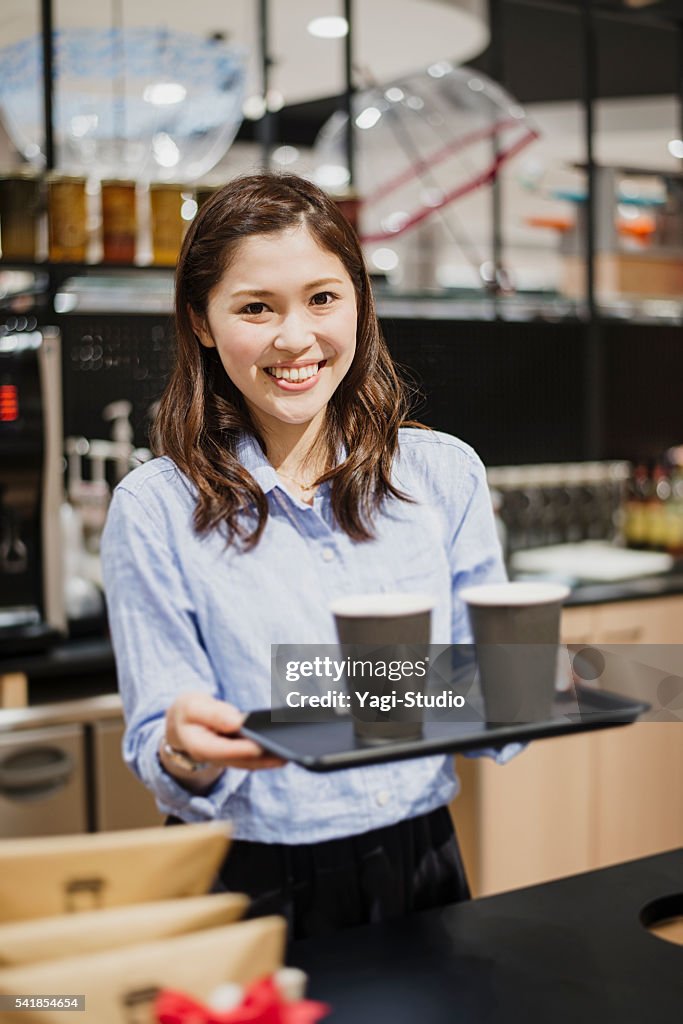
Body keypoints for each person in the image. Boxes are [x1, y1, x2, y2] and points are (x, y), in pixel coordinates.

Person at [101, 172, 517, 940]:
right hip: (246, 880)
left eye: (323, 298)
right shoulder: (154, 508)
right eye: (256, 307)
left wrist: (526, 678)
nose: (295, 339)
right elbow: (160, 743)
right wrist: (184, 746)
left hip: (419, 855)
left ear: (359, 300)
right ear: (201, 321)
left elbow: (490, 692)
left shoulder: (442, 474)